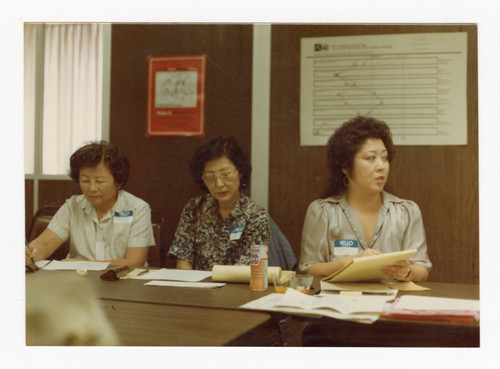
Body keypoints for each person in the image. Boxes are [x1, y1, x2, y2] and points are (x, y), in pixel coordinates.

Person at [299, 116, 431, 281]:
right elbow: (308, 268)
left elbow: (422, 268)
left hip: (390, 302)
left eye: (384, 158)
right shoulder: (323, 211)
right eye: (370, 158)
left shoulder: (406, 211)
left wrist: (408, 271)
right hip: (340, 301)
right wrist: (349, 262)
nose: (381, 166)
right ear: (346, 167)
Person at [25, 141, 155, 267]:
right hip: (79, 282)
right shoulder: (73, 206)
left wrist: (81, 264)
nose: (92, 188)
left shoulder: (137, 209)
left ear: (118, 182)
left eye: (99, 181)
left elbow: (134, 262)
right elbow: (45, 244)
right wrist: (30, 253)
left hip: (123, 281)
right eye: (85, 180)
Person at [168, 136, 270, 271]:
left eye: (225, 174)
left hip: (236, 288)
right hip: (196, 288)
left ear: (240, 172)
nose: (219, 184)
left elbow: (247, 269)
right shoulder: (194, 208)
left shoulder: (256, 215)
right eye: (210, 176)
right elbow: (183, 260)